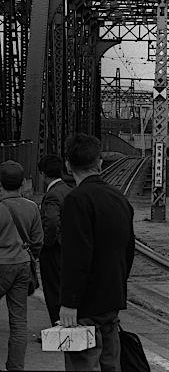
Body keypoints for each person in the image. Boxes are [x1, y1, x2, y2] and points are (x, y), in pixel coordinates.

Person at [59, 134, 135, 371]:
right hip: (112, 300)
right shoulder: (119, 198)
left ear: (68, 166)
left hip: (85, 305)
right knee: (111, 364)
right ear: (100, 163)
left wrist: (69, 303)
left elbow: (76, 256)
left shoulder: (76, 200)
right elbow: (129, 250)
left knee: (83, 364)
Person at [0, 160, 44, 371]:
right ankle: (15, 367)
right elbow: (38, 242)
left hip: (1, 265)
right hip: (22, 266)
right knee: (18, 322)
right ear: (22, 183)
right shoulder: (32, 207)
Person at [37, 154, 73, 326]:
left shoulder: (52, 195)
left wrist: (47, 244)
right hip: (69, 248)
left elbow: (51, 222)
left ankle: (57, 325)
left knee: (52, 288)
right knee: (65, 287)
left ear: (43, 174)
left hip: (55, 250)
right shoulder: (69, 190)